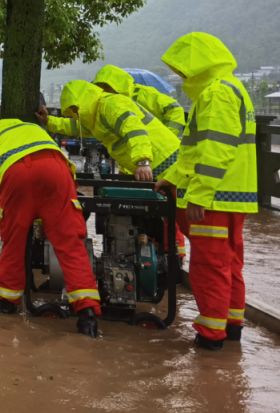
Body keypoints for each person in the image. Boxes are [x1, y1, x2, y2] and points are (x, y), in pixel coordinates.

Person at [155, 32, 256, 351]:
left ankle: (211, 337)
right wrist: (172, 178)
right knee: (229, 263)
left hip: (214, 197)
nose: (181, 75)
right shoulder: (231, 88)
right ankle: (231, 327)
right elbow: (193, 152)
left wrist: (198, 193)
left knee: (209, 267)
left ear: (196, 65)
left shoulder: (216, 94)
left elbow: (215, 149)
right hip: (233, 196)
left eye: (183, 68)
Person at [0, 119, 101, 337]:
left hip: (17, 175)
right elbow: (63, 169)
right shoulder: (34, 128)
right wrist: (47, 222)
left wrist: (7, 224)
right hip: (58, 171)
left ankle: (7, 303)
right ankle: (87, 315)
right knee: (71, 245)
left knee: (14, 244)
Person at [39, 79, 187, 257]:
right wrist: (48, 121)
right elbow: (74, 126)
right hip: (158, 172)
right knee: (167, 224)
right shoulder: (95, 117)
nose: (76, 114)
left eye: (75, 109)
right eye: (72, 112)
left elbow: (135, 130)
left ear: (83, 101)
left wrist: (142, 161)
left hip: (168, 168)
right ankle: (167, 265)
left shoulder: (111, 105)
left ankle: (178, 266)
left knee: (187, 224)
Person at [93, 64, 186, 137]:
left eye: (105, 87)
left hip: (159, 149)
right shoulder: (113, 103)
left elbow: (175, 109)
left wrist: (167, 135)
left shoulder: (142, 94)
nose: (103, 92)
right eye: (99, 88)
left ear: (115, 85)